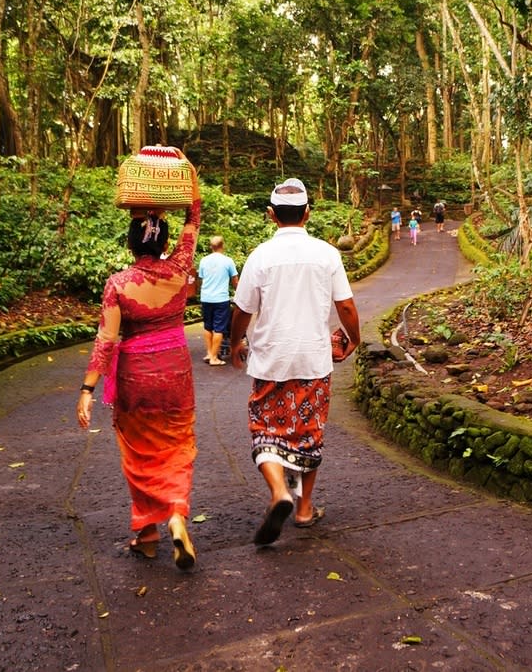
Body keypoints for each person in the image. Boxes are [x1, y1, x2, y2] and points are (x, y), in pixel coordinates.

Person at [76, 155, 201, 572]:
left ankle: (147, 535)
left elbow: (107, 340)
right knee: (177, 443)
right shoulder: (180, 269)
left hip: (136, 377)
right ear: (164, 243)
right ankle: (177, 517)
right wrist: (191, 181)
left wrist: (88, 389)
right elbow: (193, 221)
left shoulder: (118, 284)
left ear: (131, 244)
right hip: (176, 369)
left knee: (139, 450)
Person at [230, 177, 361, 546]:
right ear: (308, 213)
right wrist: (354, 337)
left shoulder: (259, 257)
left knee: (265, 429)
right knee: (308, 434)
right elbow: (346, 306)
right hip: (313, 360)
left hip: (271, 360)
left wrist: (238, 340)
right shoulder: (326, 254)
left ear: (271, 215)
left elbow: (241, 310)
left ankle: (278, 492)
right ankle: (303, 508)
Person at [197, 235, 239, 366]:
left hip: (206, 298)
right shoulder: (228, 261)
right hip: (220, 298)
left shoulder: (204, 260)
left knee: (207, 326)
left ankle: (209, 352)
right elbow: (235, 280)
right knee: (219, 329)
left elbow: (200, 280)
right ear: (223, 245)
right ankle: (214, 358)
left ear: (211, 246)